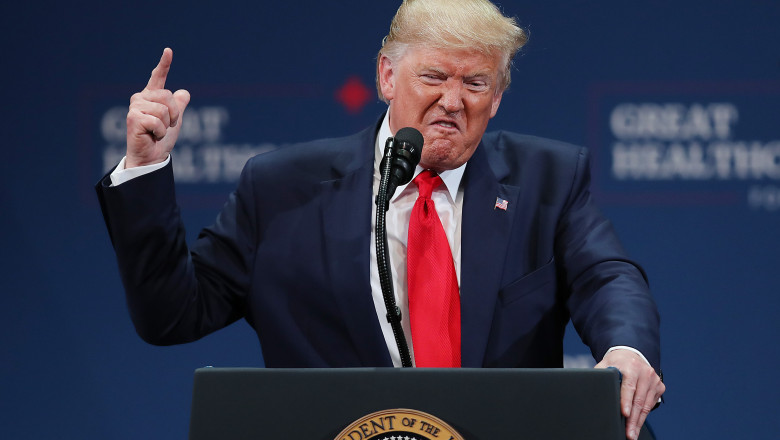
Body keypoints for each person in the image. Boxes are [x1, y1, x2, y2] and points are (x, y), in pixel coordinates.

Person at [96, 1, 665, 439]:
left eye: (475, 83)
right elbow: (171, 315)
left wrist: (626, 351)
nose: (452, 100)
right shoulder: (281, 189)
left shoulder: (549, 178)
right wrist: (147, 170)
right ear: (387, 77)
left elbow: (607, 276)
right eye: (434, 76)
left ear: (496, 99)